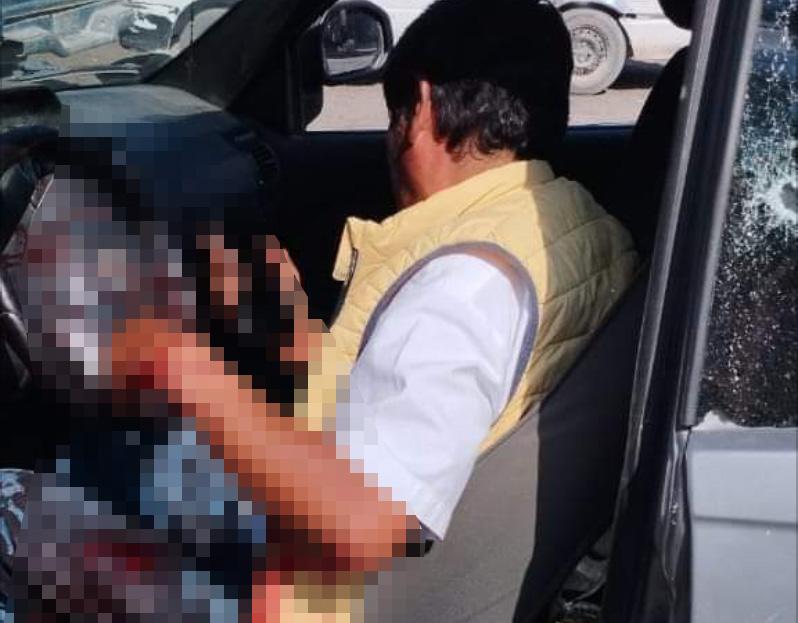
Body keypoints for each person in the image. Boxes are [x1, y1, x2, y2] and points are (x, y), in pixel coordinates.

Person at [5, 0, 639, 619]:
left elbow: (363, 518)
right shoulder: (573, 227)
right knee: (109, 457)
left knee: (17, 514)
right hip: (341, 548)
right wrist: (293, 339)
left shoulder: (463, 286)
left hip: (304, 594)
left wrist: (178, 369)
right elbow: (408, 415)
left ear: (419, 108)